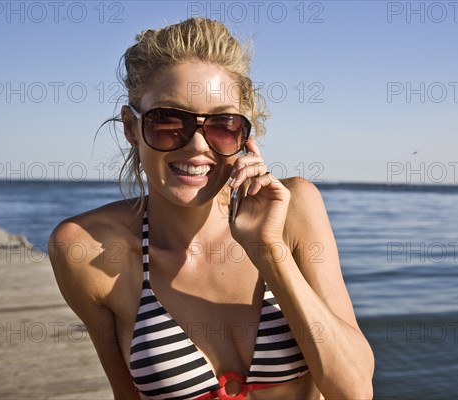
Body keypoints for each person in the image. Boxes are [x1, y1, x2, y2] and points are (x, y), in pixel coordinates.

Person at [49, 18, 374, 400]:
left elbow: (354, 391)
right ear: (130, 127)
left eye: (222, 124)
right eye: (169, 121)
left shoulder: (295, 209)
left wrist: (269, 252)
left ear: (243, 134)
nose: (198, 145)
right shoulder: (86, 249)